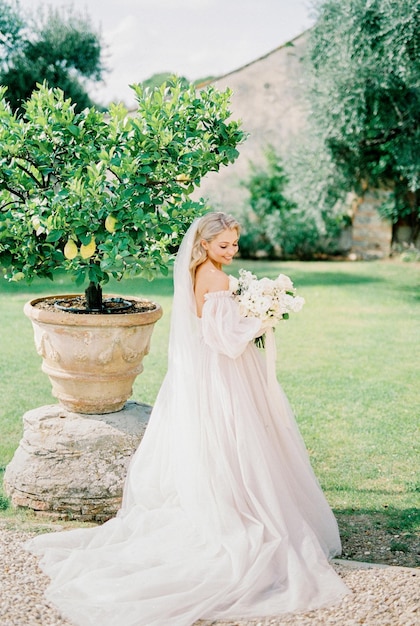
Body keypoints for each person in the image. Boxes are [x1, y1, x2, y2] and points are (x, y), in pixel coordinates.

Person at [26, 212, 349, 626]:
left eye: (235, 244)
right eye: (224, 246)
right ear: (204, 245)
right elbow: (222, 338)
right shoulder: (211, 277)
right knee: (237, 437)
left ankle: (231, 498)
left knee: (225, 441)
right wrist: (261, 319)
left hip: (211, 372)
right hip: (225, 373)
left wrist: (254, 304)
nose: (232, 252)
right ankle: (239, 507)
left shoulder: (202, 270)